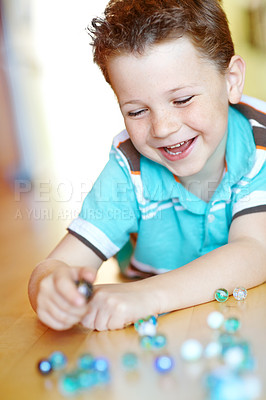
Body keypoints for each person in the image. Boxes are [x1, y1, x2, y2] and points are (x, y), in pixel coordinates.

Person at [28, 0, 266, 331]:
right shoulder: (129, 170)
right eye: (137, 111)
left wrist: (147, 296)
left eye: (182, 100)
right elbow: (58, 263)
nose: (162, 128)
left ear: (231, 80)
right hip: (162, 330)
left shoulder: (259, 147)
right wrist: (50, 288)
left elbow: (255, 250)